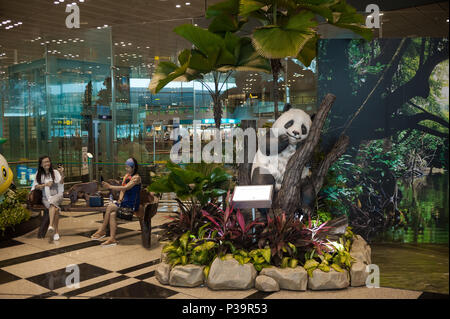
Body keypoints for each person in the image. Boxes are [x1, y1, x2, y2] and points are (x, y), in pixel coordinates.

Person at [91, 157, 141, 246]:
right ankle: (112, 238)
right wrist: (119, 201)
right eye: (126, 167)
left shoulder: (136, 178)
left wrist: (110, 187)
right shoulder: (126, 176)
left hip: (132, 205)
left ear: (133, 168)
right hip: (124, 203)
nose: (127, 169)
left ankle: (102, 230)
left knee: (110, 207)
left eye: (128, 167)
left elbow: (126, 188)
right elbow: (122, 191)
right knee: (112, 214)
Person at [31, 156, 64, 242]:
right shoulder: (39, 174)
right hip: (45, 198)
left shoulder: (55, 172)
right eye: (45, 162)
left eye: (48, 161)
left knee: (53, 203)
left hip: (57, 195)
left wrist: (62, 174)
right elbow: (35, 186)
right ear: (41, 164)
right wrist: (45, 185)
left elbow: (61, 183)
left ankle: (50, 225)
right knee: (55, 209)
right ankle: (56, 232)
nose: (47, 163)